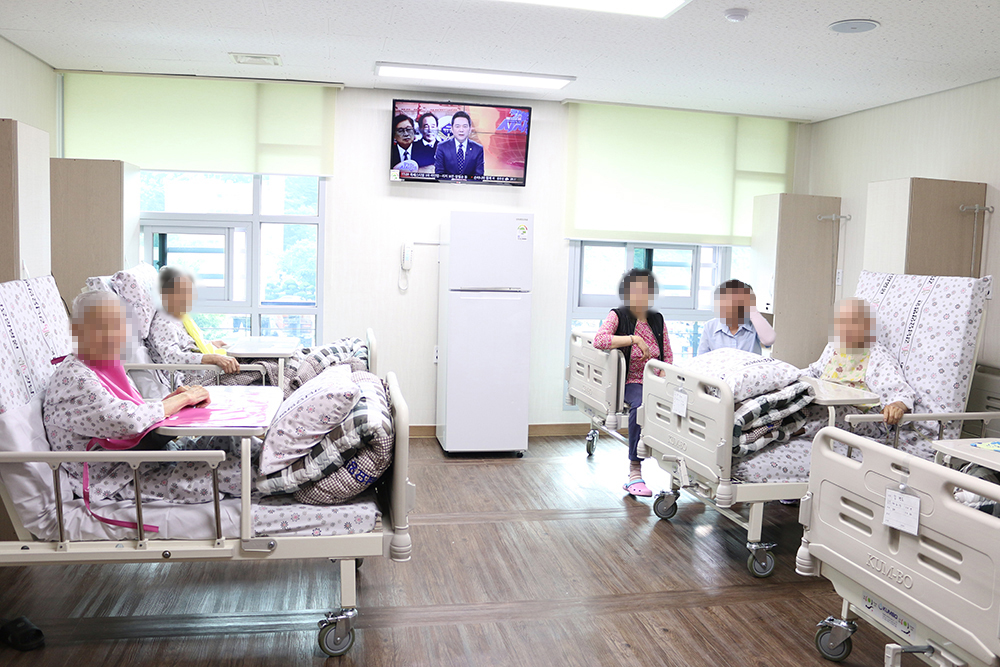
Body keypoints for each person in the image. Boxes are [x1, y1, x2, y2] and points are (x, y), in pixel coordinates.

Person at [43, 291, 247, 507]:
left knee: (229, 443)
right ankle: (270, 477)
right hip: (117, 477)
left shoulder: (102, 366)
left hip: (141, 458)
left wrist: (173, 400)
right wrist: (180, 400)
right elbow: (126, 420)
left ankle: (269, 462)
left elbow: (124, 410)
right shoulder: (75, 378)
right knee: (231, 471)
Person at [593, 269, 673, 498]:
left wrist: (665, 376)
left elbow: (667, 355)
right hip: (632, 380)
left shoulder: (657, 319)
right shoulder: (618, 316)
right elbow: (600, 340)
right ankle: (635, 471)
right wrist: (634, 339)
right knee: (640, 406)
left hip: (656, 381)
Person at [799, 298, 912, 438]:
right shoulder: (833, 347)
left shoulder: (877, 357)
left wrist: (897, 407)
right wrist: (789, 378)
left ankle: (789, 432)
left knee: (830, 413)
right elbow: (814, 372)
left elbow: (902, 393)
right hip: (826, 404)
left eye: (852, 323)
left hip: (863, 417)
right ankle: (778, 425)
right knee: (794, 402)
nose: (845, 328)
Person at [147, 267, 240, 379]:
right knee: (257, 367)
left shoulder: (178, 318)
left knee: (252, 360)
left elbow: (186, 343)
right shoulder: (163, 323)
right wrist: (213, 358)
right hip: (190, 378)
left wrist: (209, 343)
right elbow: (172, 357)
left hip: (204, 371)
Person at [697, 279, 776, 355]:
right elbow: (701, 358)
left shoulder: (754, 325)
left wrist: (752, 310)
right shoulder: (710, 327)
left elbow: (769, 340)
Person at [433, 110, 485, 177]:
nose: (461, 130)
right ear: (452, 129)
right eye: (457, 126)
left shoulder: (478, 149)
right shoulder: (442, 147)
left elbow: (479, 175)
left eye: (465, 126)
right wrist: (453, 180)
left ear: (470, 129)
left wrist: (466, 181)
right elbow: (439, 174)